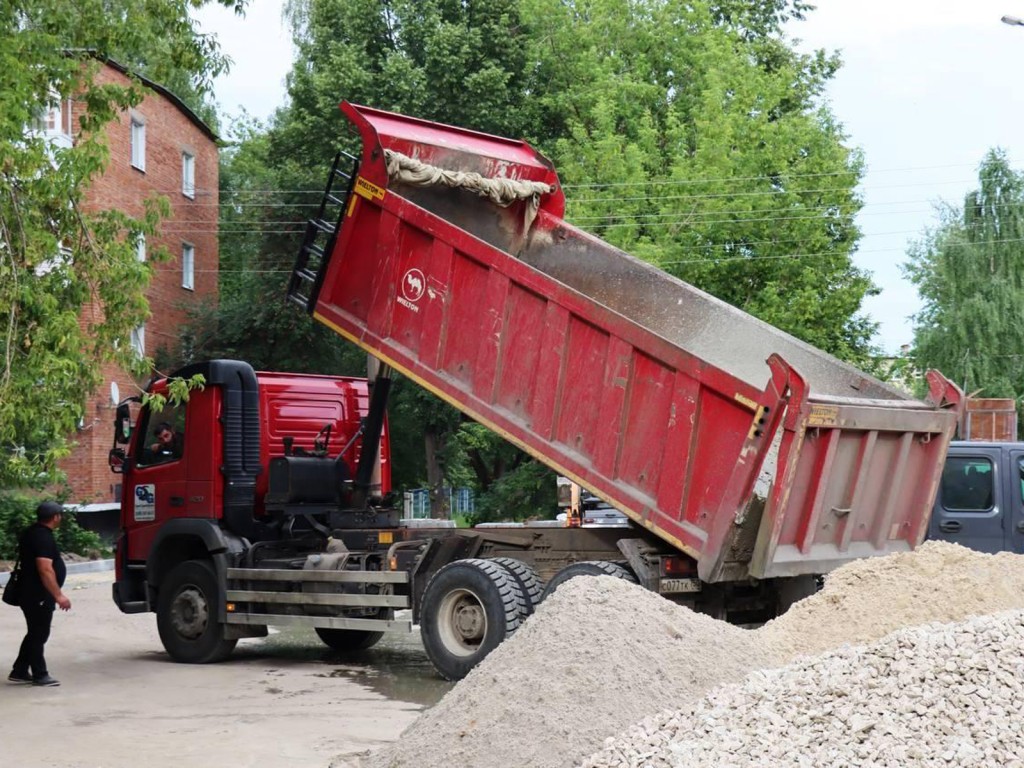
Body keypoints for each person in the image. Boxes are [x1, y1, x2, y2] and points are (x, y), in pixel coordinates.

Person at [8, 501, 71, 687]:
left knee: (35, 632)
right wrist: (58, 595)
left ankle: (19, 670)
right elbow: (45, 569)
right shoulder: (43, 537)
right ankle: (40, 674)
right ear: (56, 517)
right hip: (38, 594)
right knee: (39, 633)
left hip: (31, 592)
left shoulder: (32, 532)